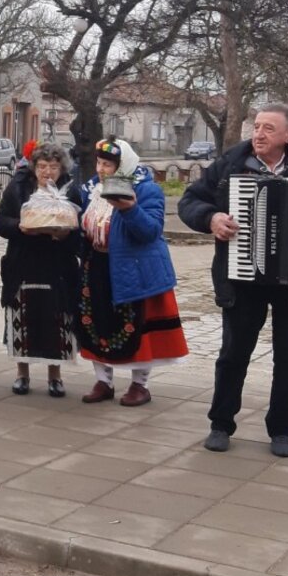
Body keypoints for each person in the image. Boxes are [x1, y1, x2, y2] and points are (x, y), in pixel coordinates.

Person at [178, 103, 288, 458]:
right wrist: (211, 218)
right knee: (233, 353)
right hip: (243, 276)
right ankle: (221, 423)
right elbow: (190, 201)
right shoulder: (230, 165)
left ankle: (282, 430)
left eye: (269, 128)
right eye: (257, 127)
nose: (259, 134)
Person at [76, 138, 188, 407]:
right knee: (96, 323)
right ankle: (104, 381)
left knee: (138, 326)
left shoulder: (147, 190)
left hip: (134, 269)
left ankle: (140, 385)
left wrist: (129, 209)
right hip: (97, 266)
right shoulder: (90, 190)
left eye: (108, 165)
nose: (101, 170)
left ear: (123, 165)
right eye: (99, 163)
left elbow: (150, 231)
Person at [0, 141, 80, 397]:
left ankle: (55, 375)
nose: (47, 172)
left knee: (57, 320)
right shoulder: (19, 188)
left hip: (57, 266)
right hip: (23, 263)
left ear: (61, 169)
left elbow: (79, 229)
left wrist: (64, 235)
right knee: (23, 319)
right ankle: (22, 373)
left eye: (53, 167)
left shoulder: (71, 192)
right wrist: (20, 226)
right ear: (34, 168)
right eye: (42, 166)